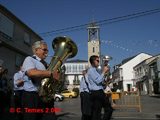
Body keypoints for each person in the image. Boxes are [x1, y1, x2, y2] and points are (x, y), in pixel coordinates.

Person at [22, 40, 60, 120]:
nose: (47, 52)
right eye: (44, 50)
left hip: (44, 97)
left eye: (47, 50)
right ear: (36, 50)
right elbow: (31, 73)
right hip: (32, 97)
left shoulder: (45, 64)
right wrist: (51, 73)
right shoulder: (29, 59)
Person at [87, 55, 110, 120]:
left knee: (97, 112)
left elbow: (100, 81)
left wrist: (105, 75)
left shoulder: (95, 70)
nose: (98, 62)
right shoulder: (91, 70)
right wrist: (104, 72)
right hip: (97, 93)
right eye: (97, 61)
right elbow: (97, 81)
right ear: (93, 61)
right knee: (100, 111)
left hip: (99, 92)